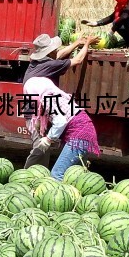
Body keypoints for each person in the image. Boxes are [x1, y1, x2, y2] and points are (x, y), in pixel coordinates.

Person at [22, 33, 97, 169]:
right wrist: (86, 44)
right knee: (40, 147)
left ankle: (39, 173)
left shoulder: (36, 63)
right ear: (49, 52)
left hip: (38, 112)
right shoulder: (49, 66)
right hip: (36, 117)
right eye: (53, 49)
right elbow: (77, 60)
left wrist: (76, 43)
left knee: (44, 146)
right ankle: (28, 173)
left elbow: (60, 54)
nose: (57, 50)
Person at [23, 76, 100, 181]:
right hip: (85, 133)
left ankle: (59, 196)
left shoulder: (47, 99)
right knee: (76, 177)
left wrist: (48, 139)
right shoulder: (54, 96)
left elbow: (60, 121)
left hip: (79, 136)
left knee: (57, 174)